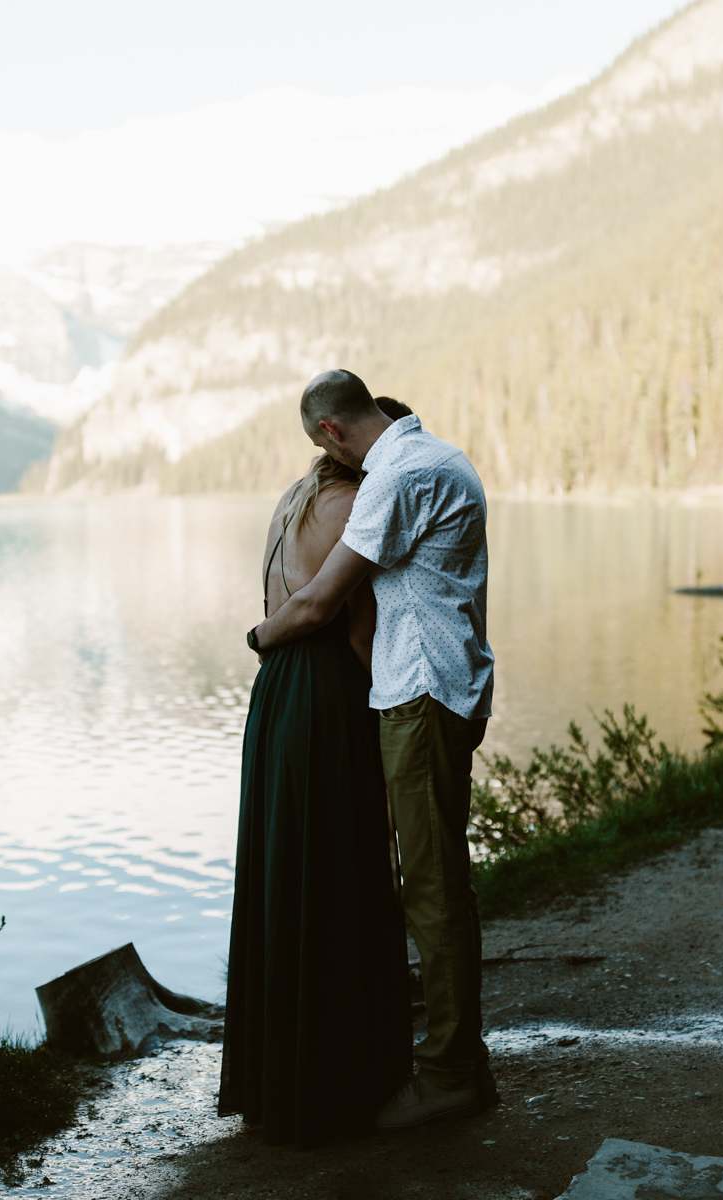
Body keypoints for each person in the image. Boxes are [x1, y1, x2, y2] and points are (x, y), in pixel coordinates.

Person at [248, 368, 497, 1130]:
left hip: (420, 696)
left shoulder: (396, 477)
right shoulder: (433, 458)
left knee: (430, 886)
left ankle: (452, 1073)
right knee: (434, 876)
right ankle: (449, 1058)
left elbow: (323, 599)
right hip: (437, 688)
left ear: (330, 433)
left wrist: (259, 637)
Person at [216, 417, 412, 1146]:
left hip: (275, 695)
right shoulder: (356, 505)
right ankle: (342, 1081)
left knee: (282, 873)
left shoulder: (292, 498)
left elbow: (276, 606)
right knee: (339, 869)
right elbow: (355, 625)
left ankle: (276, 1081)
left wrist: (265, 643)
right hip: (328, 694)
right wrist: (384, 714)